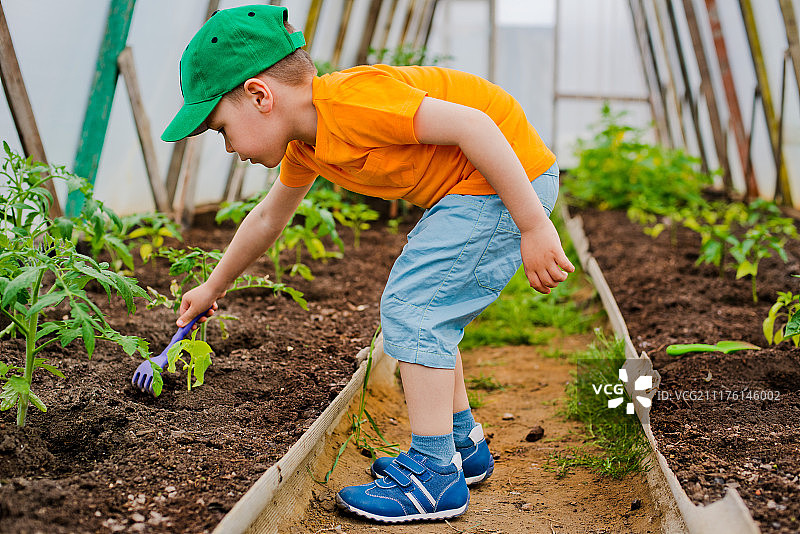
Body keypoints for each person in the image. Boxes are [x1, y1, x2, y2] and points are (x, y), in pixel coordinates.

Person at [162, 4, 575, 524]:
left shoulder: (352, 102)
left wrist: (534, 225)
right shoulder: (306, 145)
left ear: (259, 95)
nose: (228, 147)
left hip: (503, 179)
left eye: (221, 129)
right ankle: (462, 444)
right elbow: (268, 218)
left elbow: (476, 125)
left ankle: (434, 475)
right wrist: (212, 286)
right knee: (430, 306)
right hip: (474, 187)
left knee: (416, 306)